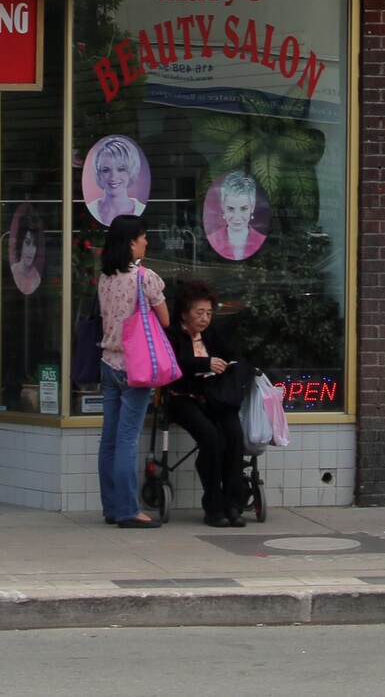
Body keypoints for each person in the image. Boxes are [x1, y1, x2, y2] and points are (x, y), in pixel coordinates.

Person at [96, 215, 167, 528]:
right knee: (127, 440)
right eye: (143, 237)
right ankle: (128, 510)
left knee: (109, 439)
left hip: (108, 363)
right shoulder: (144, 277)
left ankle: (111, 507)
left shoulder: (105, 277)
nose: (146, 242)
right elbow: (164, 319)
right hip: (134, 367)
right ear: (130, 243)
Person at [163, 280, 251, 526]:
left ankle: (234, 504)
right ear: (184, 313)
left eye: (209, 313)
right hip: (183, 398)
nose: (204, 318)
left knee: (234, 434)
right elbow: (172, 364)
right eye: (199, 312)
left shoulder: (210, 333)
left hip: (215, 396)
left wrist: (232, 366)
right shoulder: (172, 334)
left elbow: (231, 355)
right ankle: (214, 506)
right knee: (211, 439)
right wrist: (205, 364)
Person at [85, 136, 148, 225]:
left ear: (131, 171)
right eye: (106, 170)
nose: (113, 177)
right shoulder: (90, 209)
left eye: (121, 169)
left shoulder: (140, 208)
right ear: (98, 173)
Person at [207, 170, 266, 261]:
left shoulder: (261, 240)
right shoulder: (212, 240)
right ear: (223, 206)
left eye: (243, 209)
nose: (237, 217)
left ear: (252, 207)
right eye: (230, 209)